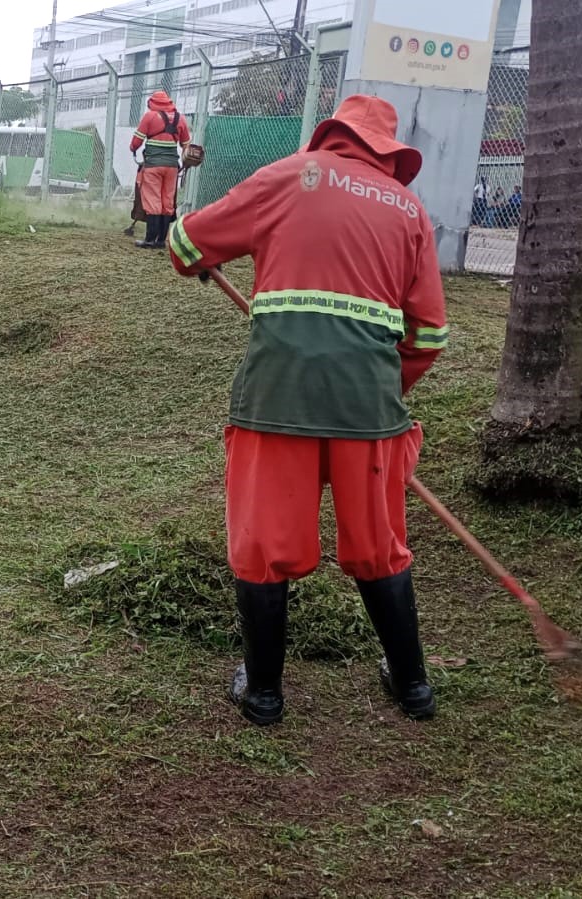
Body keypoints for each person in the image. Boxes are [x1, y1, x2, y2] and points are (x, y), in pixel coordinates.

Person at [165, 94, 448, 726]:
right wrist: (377, 389)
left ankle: (264, 695)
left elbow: (185, 246)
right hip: (369, 409)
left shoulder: (288, 175)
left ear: (333, 135)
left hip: (276, 401)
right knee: (379, 549)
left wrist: (199, 250)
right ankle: (414, 688)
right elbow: (428, 335)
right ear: (389, 152)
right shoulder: (409, 209)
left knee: (266, 545)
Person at [129, 90, 191, 249]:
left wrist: (133, 148)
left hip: (153, 165)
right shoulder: (180, 118)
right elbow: (186, 144)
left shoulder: (150, 116)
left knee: (153, 200)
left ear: (153, 103)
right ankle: (161, 241)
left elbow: (137, 141)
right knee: (167, 202)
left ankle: (150, 239)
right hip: (172, 167)